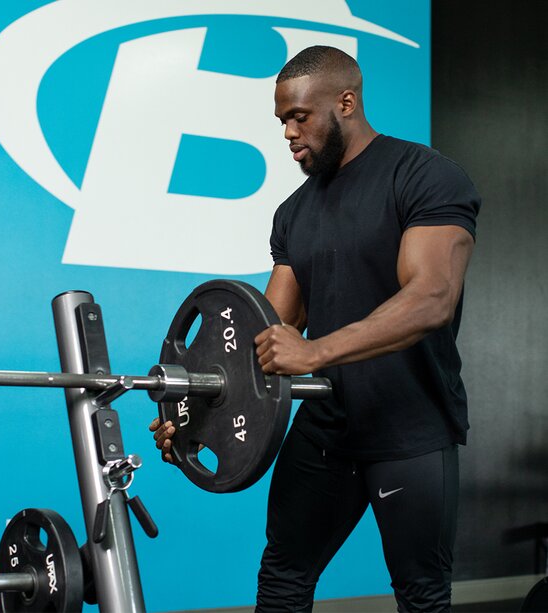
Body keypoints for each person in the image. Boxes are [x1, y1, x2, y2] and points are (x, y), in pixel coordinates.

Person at [150, 45, 480, 613]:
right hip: (328, 426)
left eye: (299, 116)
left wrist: (317, 350)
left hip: (409, 425)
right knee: (282, 578)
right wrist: (192, 412)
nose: (288, 132)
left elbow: (432, 297)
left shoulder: (424, 175)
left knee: (422, 596)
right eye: (282, 120)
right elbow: (267, 332)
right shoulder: (295, 212)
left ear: (346, 102)